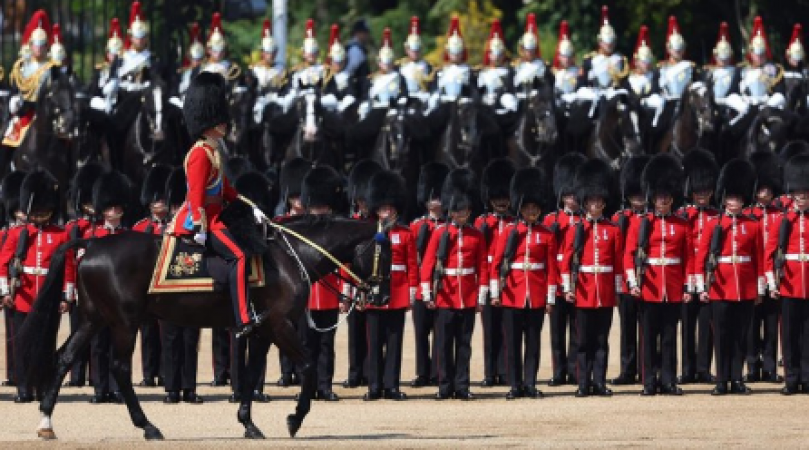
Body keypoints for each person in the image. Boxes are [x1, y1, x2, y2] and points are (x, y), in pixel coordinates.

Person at [168, 71, 269, 337]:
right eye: (220, 120)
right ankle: (243, 317)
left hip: (215, 216)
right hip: (201, 220)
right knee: (238, 255)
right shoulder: (200, 154)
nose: (225, 124)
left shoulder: (213, 151)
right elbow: (196, 194)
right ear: (208, 121)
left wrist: (251, 207)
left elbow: (226, 190)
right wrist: (199, 226)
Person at [0, 171, 76, 403]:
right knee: (22, 345)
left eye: (44, 212)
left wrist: (67, 295)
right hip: (23, 296)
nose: (41, 217)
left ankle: (42, 386)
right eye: (37, 212)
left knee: (45, 344)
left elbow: (69, 266)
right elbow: (3, 264)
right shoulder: (18, 234)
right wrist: (4, 292)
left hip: (49, 298)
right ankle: (23, 387)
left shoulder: (61, 235)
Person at [625, 154, 693, 396]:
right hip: (650, 286)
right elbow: (629, 256)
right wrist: (633, 283)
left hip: (672, 287)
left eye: (666, 197)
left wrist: (687, 288)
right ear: (652, 198)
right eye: (659, 197)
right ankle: (649, 381)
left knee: (668, 337)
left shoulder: (682, 224)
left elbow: (689, 259)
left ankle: (668, 380)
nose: (662, 200)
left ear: (672, 198)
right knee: (649, 337)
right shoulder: (641, 223)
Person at [696, 159, 765, 396]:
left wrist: (759, 288)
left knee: (741, 336)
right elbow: (701, 257)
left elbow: (759, 258)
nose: (735, 203)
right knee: (722, 335)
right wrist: (702, 286)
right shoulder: (714, 225)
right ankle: (721, 380)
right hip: (720, 287)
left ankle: (737, 378)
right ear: (724, 199)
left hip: (744, 288)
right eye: (731, 199)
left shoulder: (753, 226)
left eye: (739, 199)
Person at [420, 168, 488, 401]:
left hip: (467, 296)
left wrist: (481, 297)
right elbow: (428, 264)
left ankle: (462, 385)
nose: (461, 215)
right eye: (457, 212)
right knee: (444, 343)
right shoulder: (440, 233)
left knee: (464, 345)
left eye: (465, 212)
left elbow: (482, 268)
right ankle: (444, 385)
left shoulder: (476, 235)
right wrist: (428, 293)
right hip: (445, 295)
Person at [490, 167, 557, 399]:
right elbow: (496, 265)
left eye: (535, 208)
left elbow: (551, 268)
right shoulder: (509, 232)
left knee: (534, 343)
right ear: (520, 207)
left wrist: (550, 298)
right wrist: (495, 293)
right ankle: (515, 384)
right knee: (513, 343)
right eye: (527, 208)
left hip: (536, 294)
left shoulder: (546, 234)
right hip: (512, 293)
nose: (532, 212)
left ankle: (530, 383)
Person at [561, 159, 623, 397]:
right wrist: (568, 288)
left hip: (604, 292)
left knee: (601, 341)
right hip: (584, 291)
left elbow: (617, 263)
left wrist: (617, 291)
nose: (595, 205)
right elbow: (566, 261)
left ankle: (599, 381)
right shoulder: (576, 228)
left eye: (599, 201)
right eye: (591, 201)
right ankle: (583, 383)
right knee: (583, 342)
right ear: (585, 202)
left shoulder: (612, 230)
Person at [363, 171, 418, 401]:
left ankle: (391, 385)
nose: (388, 213)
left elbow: (412, 264)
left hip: (397, 290)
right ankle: (374, 385)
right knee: (374, 341)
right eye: (383, 209)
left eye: (391, 209)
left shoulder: (405, 233)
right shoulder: (368, 232)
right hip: (375, 289)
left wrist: (412, 291)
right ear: (377, 210)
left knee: (395, 341)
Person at [300, 165, 347, 401]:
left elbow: (344, 265)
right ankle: (307, 387)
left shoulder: (337, 230)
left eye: (323, 206)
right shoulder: (302, 231)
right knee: (308, 345)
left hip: (330, 293)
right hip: (307, 295)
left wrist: (344, 294)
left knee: (327, 345)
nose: (320, 211)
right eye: (316, 206)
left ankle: (325, 386)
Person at [229, 170, 275, 404]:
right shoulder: (235, 222)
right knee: (238, 342)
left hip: (261, 288)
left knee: (260, 341)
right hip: (240, 291)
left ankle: (256, 386)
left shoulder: (262, 221)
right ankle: (238, 388)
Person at [161, 168, 205, 404]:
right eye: (176, 204)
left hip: (193, 292)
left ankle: (189, 387)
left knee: (190, 340)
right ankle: (171, 388)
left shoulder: (197, 230)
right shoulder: (165, 233)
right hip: (169, 293)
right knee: (170, 339)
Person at [767, 153, 809, 395]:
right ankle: (791, 378)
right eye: (799, 195)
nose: (802, 199)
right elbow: (770, 253)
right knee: (790, 333)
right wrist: (773, 282)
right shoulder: (784, 220)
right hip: (790, 281)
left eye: (805, 195)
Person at [543, 153, 587, 386]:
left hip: (579, 281)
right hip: (557, 283)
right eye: (568, 195)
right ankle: (558, 371)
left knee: (577, 330)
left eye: (575, 195)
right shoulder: (552, 219)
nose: (572, 199)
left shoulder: (585, 220)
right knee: (557, 331)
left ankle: (575, 370)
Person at [678, 149, 719, 384]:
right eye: (699, 191)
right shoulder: (683, 215)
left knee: (706, 326)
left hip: (708, 278)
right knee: (687, 327)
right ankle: (687, 369)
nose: (702, 195)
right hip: (687, 278)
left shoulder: (716, 216)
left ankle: (703, 368)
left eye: (706, 191)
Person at [743, 151, 784, 383]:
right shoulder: (748, 215)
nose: (766, 194)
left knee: (770, 323)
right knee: (751, 325)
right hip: (752, 276)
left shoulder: (781, 215)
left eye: (769, 190)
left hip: (774, 276)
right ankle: (752, 366)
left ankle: (769, 366)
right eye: (761, 190)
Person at [63, 163, 104, 388]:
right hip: (79, 288)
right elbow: (69, 261)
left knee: (99, 336)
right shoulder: (74, 228)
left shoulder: (104, 229)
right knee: (78, 332)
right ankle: (76, 375)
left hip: (101, 289)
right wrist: (69, 291)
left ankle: (97, 378)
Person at [610, 155, 650, 386]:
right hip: (626, 281)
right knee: (627, 329)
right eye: (635, 194)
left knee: (647, 329)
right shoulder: (619, 218)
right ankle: (628, 369)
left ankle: (646, 370)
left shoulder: (653, 218)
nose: (639, 199)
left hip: (650, 280)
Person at [475, 159, 515, 387]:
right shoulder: (482, 222)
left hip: (509, 282)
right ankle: (490, 372)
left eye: (504, 197)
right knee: (489, 330)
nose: (501, 202)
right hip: (487, 281)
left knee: (507, 330)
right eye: (496, 197)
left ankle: (507, 371)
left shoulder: (514, 224)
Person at [409, 162, 449, 388]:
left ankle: (438, 372)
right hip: (421, 284)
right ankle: (422, 372)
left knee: (441, 333)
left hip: (443, 285)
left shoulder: (449, 227)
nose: (435, 201)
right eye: (431, 196)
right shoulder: (416, 226)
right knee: (421, 331)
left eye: (439, 196)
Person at [132, 165, 173, 387]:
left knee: (166, 332)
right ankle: (149, 374)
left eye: (162, 199)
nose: (159, 203)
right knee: (147, 332)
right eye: (155, 199)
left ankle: (166, 373)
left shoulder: (174, 226)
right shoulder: (140, 227)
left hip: (168, 285)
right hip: (147, 286)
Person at [724, 16, 786, 126]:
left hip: (768, 109)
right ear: (751, 53)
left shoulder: (775, 69)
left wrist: (768, 105)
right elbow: (731, 93)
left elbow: (781, 93)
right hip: (745, 109)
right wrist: (742, 105)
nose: (759, 57)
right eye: (756, 54)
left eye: (762, 54)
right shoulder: (741, 69)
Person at [4, 10, 53, 147]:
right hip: (24, 113)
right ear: (30, 45)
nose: (38, 48)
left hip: (44, 114)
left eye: (42, 44)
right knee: (6, 140)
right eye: (36, 44)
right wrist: (14, 100)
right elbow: (14, 88)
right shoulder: (20, 67)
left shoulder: (51, 68)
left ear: (46, 47)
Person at [576, 5, 629, 117]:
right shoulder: (590, 60)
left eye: (611, 42)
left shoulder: (620, 59)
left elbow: (624, 82)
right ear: (600, 42)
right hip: (595, 92)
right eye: (606, 42)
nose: (609, 45)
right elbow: (582, 82)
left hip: (613, 93)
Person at [0, 171, 27, 388]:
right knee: (11, 331)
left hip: (27, 286)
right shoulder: (5, 233)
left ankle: (23, 375)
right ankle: (13, 373)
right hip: (9, 284)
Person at [653, 16, 697, 128]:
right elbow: (657, 88)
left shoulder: (690, 67)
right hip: (669, 103)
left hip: (687, 103)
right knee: (657, 126)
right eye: (675, 49)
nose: (678, 52)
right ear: (669, 49)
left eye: (680, 49)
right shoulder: (662, 68)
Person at [398, 16, 433, 109]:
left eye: (417, 50)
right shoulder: (400, 66)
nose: (415, 52)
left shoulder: (428, 66)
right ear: (407, 49)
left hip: (423, 101)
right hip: (406, 100)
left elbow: (432, 86)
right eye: (412, 50)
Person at [168, 22, 205, 108]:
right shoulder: (183, 71)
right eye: (195, 59)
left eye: (199, 59)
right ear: (190, 58)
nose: (197, 62)